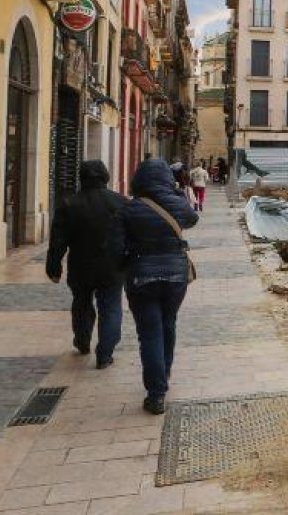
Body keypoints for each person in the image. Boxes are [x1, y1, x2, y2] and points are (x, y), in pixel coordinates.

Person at [111, 159, 199, 414]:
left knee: (149, 333)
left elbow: (116, 248)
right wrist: (175, 193)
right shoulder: (176, 203)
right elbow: (192, 219)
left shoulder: (129, 209)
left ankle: (156, 393)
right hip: (175, 276)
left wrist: (125, 268)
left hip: (141, 278)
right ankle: (164, 373)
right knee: (168, 324)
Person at [46, 161, 127, 369]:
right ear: (105, 177)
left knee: (81, 304)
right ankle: (105, 354)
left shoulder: (68, 204)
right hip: (112, 266)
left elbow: (58, 241)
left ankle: (82, 341)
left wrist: (53, 268)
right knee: (110, 307)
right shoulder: (120, 202)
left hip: (80, 266)